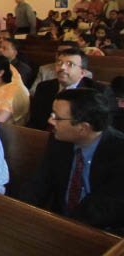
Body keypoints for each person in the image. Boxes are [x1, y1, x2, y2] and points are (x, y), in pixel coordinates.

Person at [20, 88, 124, 232]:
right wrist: (20, 211)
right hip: (59, 223)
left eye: (57, 117)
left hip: (103, 231)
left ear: (83, 128)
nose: (50, 121)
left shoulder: (119, 152)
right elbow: (39, 182)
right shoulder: (58, 139)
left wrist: (64, 227)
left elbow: (105, 207)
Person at [28, 48, 113, 130]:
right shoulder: (44, 87)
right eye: (59, 63)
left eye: (70, 64)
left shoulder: (99, 91)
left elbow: (103, 126)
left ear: (82, 72)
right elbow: (35, 120)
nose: (62, 67)